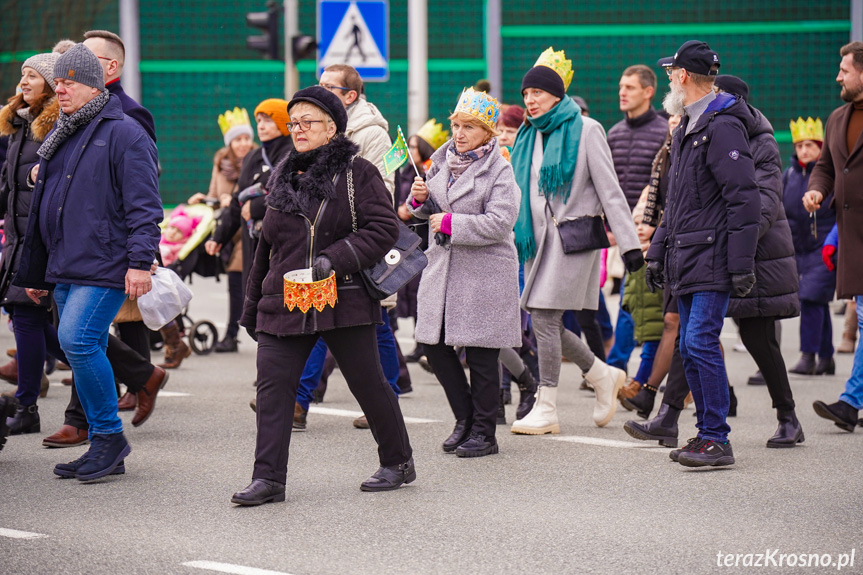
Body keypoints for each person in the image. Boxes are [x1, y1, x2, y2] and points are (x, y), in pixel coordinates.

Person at [232, 87, 414, 505]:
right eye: (293, 123)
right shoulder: (283, 173)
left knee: (368, 385)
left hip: (343, 297)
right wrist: (252, 305)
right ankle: (269, 479)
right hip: (286, 298)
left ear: (332, 128)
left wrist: (336, 258)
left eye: (307, 122)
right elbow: (268, 246)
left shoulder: (358, 173)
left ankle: (398, 461)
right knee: (273, 390)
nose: (297, 130)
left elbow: (383, 228)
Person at [15, 44, 162, 480]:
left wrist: (140, 262)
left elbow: (144, 206)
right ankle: (104, 442)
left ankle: (108, 437)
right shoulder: (62, 131)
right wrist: (38, 271)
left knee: (76, 339)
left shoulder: (124, 132)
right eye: (56, 81)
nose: (59, 89)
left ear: (94, 84)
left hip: (107, 263)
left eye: (69, 81)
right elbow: (48, 208)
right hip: (67, 263)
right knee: (84, 345)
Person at [509, 47, 643, 435]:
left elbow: (610, 190)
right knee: (542, 317)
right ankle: (602, 374)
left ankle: (547, 405)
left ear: (556, 94)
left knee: (545, 316)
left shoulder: (587, 129)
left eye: (537, 92)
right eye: (525, 94)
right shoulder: (527, 134)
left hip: (572, 238)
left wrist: (631, 247)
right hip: (536, 241)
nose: (530, 100)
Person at [645, 41, 760, 467]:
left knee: (698, 341)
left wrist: (742, 264)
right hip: (687, 255)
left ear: (683, 77)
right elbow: (676, 202)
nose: (668, 78)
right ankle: (706, 435)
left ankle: (716, 438)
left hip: (711, 257)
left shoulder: (721, 125)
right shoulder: (690, 126)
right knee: (692, 348)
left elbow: (744, 199)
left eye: (671, 72)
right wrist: (658, 252)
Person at [408, 88, 521, 457]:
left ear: (487, 131)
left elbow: (501, 222)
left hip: (484, 273)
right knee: (434, 347)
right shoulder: (442, 160)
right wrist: (419, 202)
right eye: (456, 125)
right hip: (444, 271)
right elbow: (430, 212)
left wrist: (452, 223)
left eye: (469, 127)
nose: (459, 133)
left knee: (481, 356)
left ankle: (485, 434)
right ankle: (465, 418)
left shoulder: (500, 169)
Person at [0, 52, 60, 434]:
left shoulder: (54, 126)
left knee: (25, 315)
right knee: (33, 320)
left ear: (50, 86)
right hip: (16, 235)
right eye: (22, 74)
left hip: (39, 237)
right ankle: (135, 370)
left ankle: (26, 408)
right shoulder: (19, 125)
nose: (23, 81)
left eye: (33, 75)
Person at [806, 42, 863, 431]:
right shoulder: (837, 118)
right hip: (853, 239)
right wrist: (817, 190)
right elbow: (826, 168)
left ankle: (851, 400)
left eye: (844, 69)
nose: (838, 76)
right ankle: (852, 401)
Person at [606, 64, 670, 390]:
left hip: (655, 235)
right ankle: (620, 370)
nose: (622, 92)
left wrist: (656, 228)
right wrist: (608, 225)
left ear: (648, 92)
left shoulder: (664, 132)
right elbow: (607, 186)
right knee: (635, 303)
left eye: (629, 87)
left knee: (645, 307)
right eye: (621, 86)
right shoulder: (613, 134)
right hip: (624, 234)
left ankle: (619, 370)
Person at [189, 107, 256, 352]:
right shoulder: (221, 163)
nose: (243, 143)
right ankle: (233, 333)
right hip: (228, 228)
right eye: (238, 139)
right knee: (234, 281)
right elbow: (215, 195)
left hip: (248, 229)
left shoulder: (257, 160)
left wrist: (235, 199)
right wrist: (204, 198)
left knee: (237, 279)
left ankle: (231, 333)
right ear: (230, 142)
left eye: (247, 138)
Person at [783, 117, 836, 376]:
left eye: (810, 145)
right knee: (818, 301)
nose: (804, 150)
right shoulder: (789, 175)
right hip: (797, 249)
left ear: (820, 147)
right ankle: (826, 357)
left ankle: (808, 356)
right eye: (800, 145)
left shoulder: (829, 175)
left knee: (810, 296)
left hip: (825, 247)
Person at [396, 119, 448, 364]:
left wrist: (411, 208)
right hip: (405, 237)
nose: (409, 152)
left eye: (414, 147)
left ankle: (424, 343)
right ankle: (420, 342)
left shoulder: (430, 173)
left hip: (424, 239)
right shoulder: (406, 172)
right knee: (411, 292)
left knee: (421, 292)